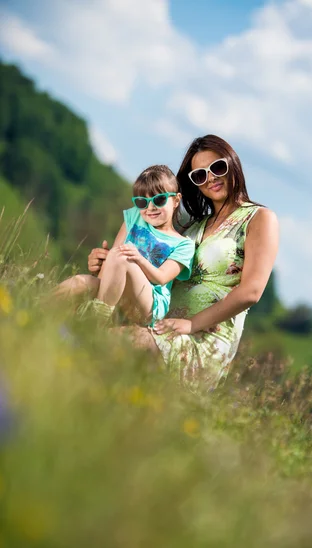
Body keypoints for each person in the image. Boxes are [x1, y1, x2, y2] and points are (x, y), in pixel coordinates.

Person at [88, 135, 279, 390]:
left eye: (217, 167)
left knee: (113, 341)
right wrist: (109, 262)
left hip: (203, 338)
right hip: (158, 320)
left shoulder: (259, 218)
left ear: (233, 163)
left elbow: (251, 291)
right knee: (85, 295)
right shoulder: (193, 226)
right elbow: (150, 268)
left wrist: (192, 324)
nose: (210, 178)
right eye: (199, 175)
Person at [55, 165, 195, 327]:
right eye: (142, 202)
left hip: (148, 305)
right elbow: (113, 261)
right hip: (116, 292)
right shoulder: (135, 216)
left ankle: (95, 321)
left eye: (159, 199)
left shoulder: (183, 244)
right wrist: (101, 263)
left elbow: (162, 277)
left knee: (122, 256)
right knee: (81, 282)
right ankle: (35, 304)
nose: (150, 207)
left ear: (176, 200)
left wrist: (137, 259)